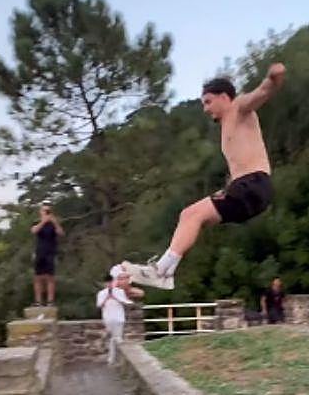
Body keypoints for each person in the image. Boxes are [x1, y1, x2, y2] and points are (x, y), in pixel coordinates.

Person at [120, 63, 286, 290]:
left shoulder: (239, 107)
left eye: (208, 102)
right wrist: (227, 187)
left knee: (191, 215)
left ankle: (162, 272)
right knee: (192, 217)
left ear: (224, 97)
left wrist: (273, 77)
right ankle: (165, 272)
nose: (206, 109)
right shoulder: (228, 127)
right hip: (249, 187)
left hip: (253, 183)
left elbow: (262, 93)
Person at [96, 269, 144, 365]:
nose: (108, 284)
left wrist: (117, 298)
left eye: (110, 282)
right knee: (113, 337)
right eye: (106, 283)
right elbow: (99, 305)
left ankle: (116, 359)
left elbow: (127, 302)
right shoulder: (101, 293)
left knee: (117, 338)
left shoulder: (119, 292)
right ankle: (114, 358)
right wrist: (107, 298)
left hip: (119, 318)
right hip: (108, 318)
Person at [31, 202, 64, 306]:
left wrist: (55, 222)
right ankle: (38, 301)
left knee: (50, 277)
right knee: (37, 278)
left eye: (48, 211)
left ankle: (50, 301)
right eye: (44, 210)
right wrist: (43, 222)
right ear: (40, 212)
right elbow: (34, 231)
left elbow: (61, 233)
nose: (46, 212)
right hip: (40, 252)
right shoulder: (37, 222)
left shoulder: (53, 224)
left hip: (50, 253)